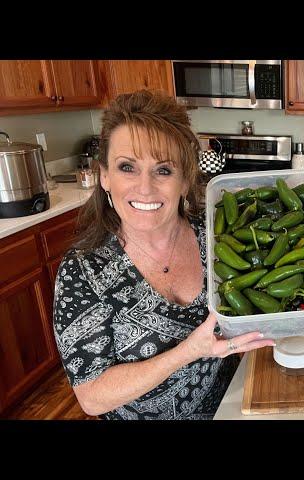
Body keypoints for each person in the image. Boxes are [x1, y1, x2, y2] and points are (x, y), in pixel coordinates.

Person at [52, 90, 274, 420]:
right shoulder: (83, 271)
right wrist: (188, 352)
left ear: (185, 181)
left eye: (164, 171)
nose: (145, 188)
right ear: (105, 177)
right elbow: (92, 397)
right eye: (127, 167)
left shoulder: (213, 235)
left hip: (231, 408)